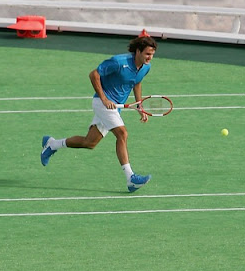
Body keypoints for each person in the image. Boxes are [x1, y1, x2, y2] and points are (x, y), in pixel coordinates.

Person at [40, 35, 157, 192]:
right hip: (102, 104)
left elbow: (137, 83)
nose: (150, 58)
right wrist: (103, 98)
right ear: (138, 51)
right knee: (122, 134)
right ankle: (131, 178)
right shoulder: (118, 62)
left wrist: (140, 106)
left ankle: (52, 144)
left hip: (116, 107)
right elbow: (94, 74)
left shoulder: (145, 67)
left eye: (152, 54)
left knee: (90, 142)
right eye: (147, 54)